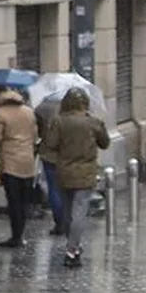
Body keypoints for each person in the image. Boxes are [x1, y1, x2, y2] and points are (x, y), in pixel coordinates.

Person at [43, 88, 109, 268]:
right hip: (86, 171)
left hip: (64, 170)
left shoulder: (59, 121)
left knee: (67, 211)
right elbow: (105, 143)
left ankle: (73, 244)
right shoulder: (93, 122)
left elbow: (51, 143)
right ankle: (73, 249)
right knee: (79, 211)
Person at [0, 89, 38, 246]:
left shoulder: (0, 114)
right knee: (24, 200)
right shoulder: (29, 112)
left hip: (10, 161)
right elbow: (35, 136)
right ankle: (21, 233)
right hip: (28, 160)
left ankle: (16, 236)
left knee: (14, 200)